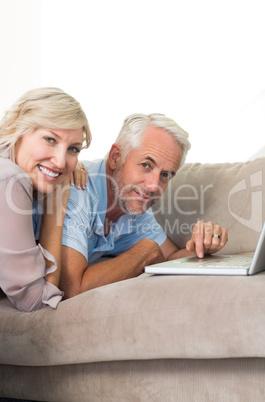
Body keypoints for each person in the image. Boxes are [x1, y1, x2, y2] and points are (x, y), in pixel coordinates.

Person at [58, 113, 228, 298]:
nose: (154, 186)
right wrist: (144, 251)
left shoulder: (133, 206)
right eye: (146, 165)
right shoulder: (77, 187)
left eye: (166, 175)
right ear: (116, 157)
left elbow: (169, 258)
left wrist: (201, 246)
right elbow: (73, 290)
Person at [0, 87, 91, 312]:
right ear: (15, 127)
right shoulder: (10, 178)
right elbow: (37, 301)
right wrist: (56, 208)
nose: (60, 162)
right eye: (50, 139)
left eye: (73, 148)